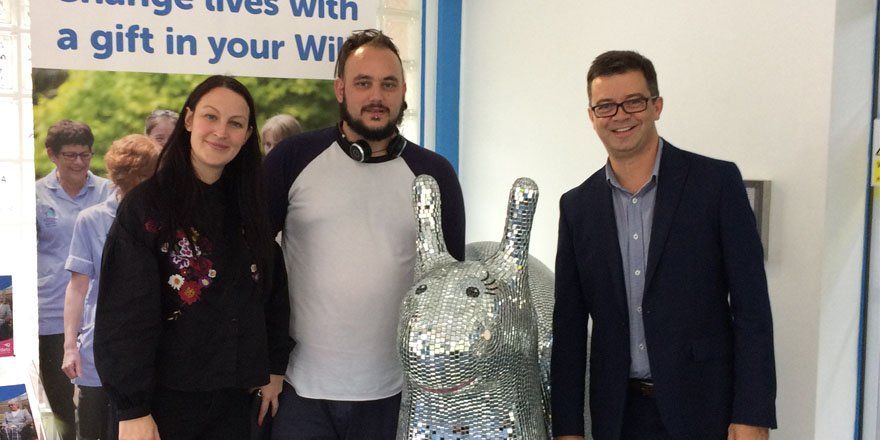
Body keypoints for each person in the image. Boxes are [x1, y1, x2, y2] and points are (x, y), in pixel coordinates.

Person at [551, 50, 777, 440]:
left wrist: (752, 414)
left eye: (633, 101)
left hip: (706, 410)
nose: (619, 115)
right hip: (618, 416)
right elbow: (569, 328)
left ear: (657, 106)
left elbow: (752, 310)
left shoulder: (716, 184)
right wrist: (567, 429)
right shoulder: (577, 206)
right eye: (605, 106)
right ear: (591, 116)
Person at [264, 29, 465, 439]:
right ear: (340, 90)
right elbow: (252, 265)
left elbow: (450, 290)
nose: (377, 96)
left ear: (403, 90)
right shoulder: (293, 158)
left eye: (388, 84)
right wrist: (265, 366)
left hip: (396, 395)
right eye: (363, 83)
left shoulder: (435, 174)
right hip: (300, 392)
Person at [94, 75, 293, 440]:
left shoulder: (248, 209)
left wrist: (275, 368)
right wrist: (133, 408)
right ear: (188, 120)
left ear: (248, 135)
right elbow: (123, 315)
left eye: (235, 123)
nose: (221, 132)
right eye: (211, 117)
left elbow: (273, 292)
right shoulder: (147, 208)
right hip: (159, 407)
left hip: (234, 403)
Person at [61, 134, 160, 440]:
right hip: (100, 345)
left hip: (152, 348)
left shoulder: (165, 218)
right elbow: (77, 287)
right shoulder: (91, 220)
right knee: (94, 430)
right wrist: (69, 346)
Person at [36, 120, 114, 440]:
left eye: (86, 155)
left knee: (97, 408)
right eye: (71, 155)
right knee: (63, 411)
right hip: (52, 315)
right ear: (52, 155)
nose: (80, 163)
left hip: (98, 316)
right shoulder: (37, 196)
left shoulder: (110, 191)